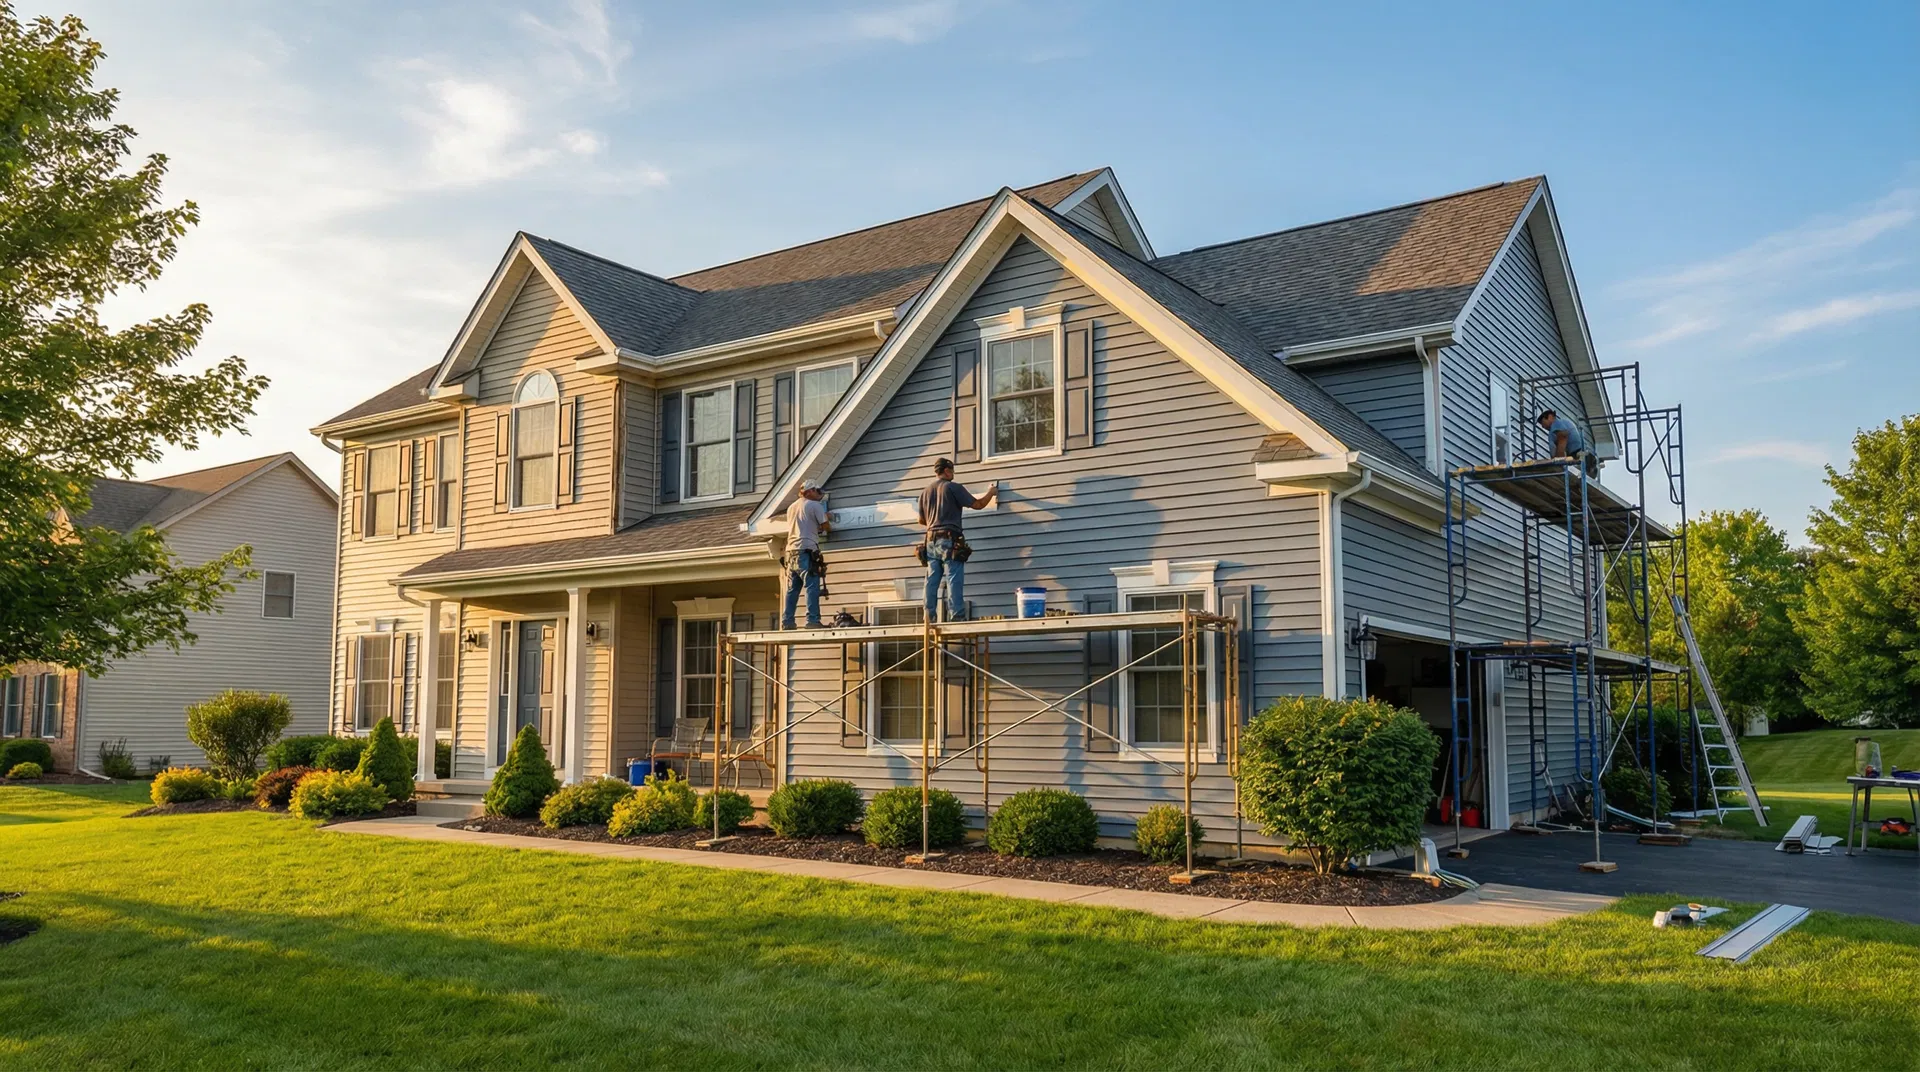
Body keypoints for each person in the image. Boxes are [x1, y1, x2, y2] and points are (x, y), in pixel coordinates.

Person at [917, 458, 998, 622]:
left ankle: (928, 615)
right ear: (946, 471)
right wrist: (991, 492)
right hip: (949, 538)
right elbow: (977, 505)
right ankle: (956, 616)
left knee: (932, 578)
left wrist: (936, 518)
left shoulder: (925, 492)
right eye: (952, 470)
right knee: (953, 576)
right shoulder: (953, 488)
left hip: (930, 539)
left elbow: (921, 521)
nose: (953, 473)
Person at [780, 478, 830, 629]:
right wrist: (828, 518)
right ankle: (812, 620)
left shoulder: (791, 507)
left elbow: (804, 525)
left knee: (793, 589)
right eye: (817, 491)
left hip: (791, 552)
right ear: (809, 491)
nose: (819, 494)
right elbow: (826, 526)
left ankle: (787, 622)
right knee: (812, 586)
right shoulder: (815, 505)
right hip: (807, 550)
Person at [1537, 408, 1598, 475]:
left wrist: (1559, 464)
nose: (1543, 426)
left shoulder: (1556, 424)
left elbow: (1563, 438)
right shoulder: (1565, 423)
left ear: (1550, 417)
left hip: (1578, 457)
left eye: (1543, 422)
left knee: (1572, 476)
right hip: (1586, 457)